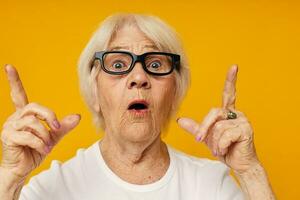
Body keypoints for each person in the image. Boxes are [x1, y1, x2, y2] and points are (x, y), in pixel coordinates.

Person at [0, 13, 275, 200]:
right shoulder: (51, 188)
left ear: (175, 92)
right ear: (94, 91)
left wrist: (251, 173)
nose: (139, 78)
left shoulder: (211, 184)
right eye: (118, 65)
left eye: (155, 65)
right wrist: (10, 178)